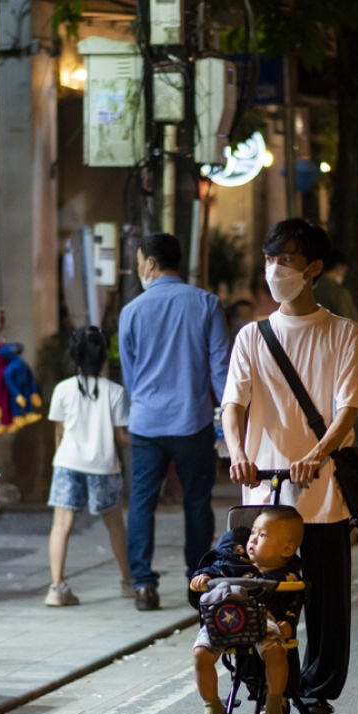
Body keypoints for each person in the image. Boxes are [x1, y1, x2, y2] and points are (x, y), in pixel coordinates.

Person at [222, 218, 358, 714]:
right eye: (270, 259)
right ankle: (267, 688)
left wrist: (319, 451)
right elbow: (232, 406)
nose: (275, 269)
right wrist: (237, 449)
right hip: (263, 491)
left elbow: (349, 409)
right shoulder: (252, 337)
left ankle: (319, 690)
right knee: (257, 595)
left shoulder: (344, 334)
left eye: (285, 259)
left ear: (313, 269)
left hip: (322, 490)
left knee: (328, 601)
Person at [119, 233, 229, 612]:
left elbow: (130, 376)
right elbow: (220, 370)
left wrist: (146, 403)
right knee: (197, 502)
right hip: (193, 421)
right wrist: (228, 420)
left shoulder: (131, 311)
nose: (138, 269)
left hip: (146, 423)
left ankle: (144, 586)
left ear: (150, 263)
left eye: (138, 262)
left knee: (141, 502)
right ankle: (196, 583)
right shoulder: (207, 304)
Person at [190, 507, 305, 714]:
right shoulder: (231, 564)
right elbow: (209, 572)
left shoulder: (286, 576)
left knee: (276, 651)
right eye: (253, 532)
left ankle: (274, 700)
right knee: (201, 654)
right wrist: (201, 578)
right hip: (223, 622)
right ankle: (212, 705)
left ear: (287, 549)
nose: (252, 539)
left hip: (264, 623)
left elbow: (291, 605)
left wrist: (287, 624)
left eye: (261, 536)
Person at [44, 326, 133, 607]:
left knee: (61, 525)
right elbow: (122, 437)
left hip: (67, 463)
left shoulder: (63, 389)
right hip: (104, 465)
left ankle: (56, 588)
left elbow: (58, 433)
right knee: (115, 525)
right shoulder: (115, 392)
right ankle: (128, 582)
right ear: (103, 357)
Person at [313, 247, 358, 323]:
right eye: (344, 271)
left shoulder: (312, 288)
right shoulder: (340, 293)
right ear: (339, 268)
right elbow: (350, 323)